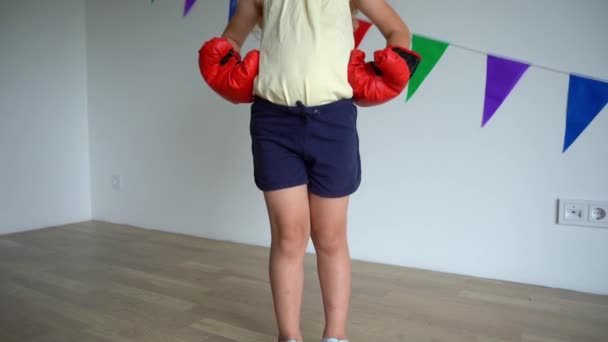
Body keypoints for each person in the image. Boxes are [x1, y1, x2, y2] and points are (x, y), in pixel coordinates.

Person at [198, 1, 421, 341]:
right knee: (289, 236)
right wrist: (223, 61)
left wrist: (393, 63)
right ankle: (289, 336)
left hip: (333, 122)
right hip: (274, 122)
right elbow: (233, 38)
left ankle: (335, 335)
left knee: (330, 236)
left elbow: (397, 29)